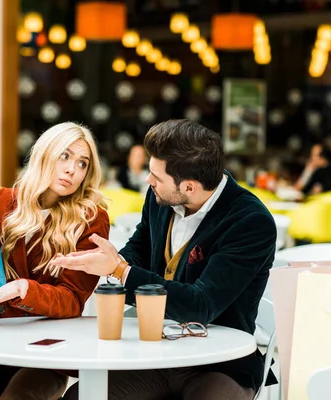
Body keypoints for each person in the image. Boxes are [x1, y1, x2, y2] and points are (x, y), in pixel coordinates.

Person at [54, 119, 277, 400]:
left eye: (156, 177)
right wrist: (109, 260)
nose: (148, 181)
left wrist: (122, 271)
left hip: (220, 363)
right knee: (81, 396)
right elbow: (140, 247)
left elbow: (201, 305)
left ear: (190, 187)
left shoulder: (250, 221)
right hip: (156, 352)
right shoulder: (161, 197)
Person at [0, 122, 110, 400]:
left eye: (82, 163)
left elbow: (73, 300)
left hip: (47, 348)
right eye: (64, 156)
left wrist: (26, 289)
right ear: (44, 154)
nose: (72, 169)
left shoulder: (90, 220)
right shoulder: (4, 201)